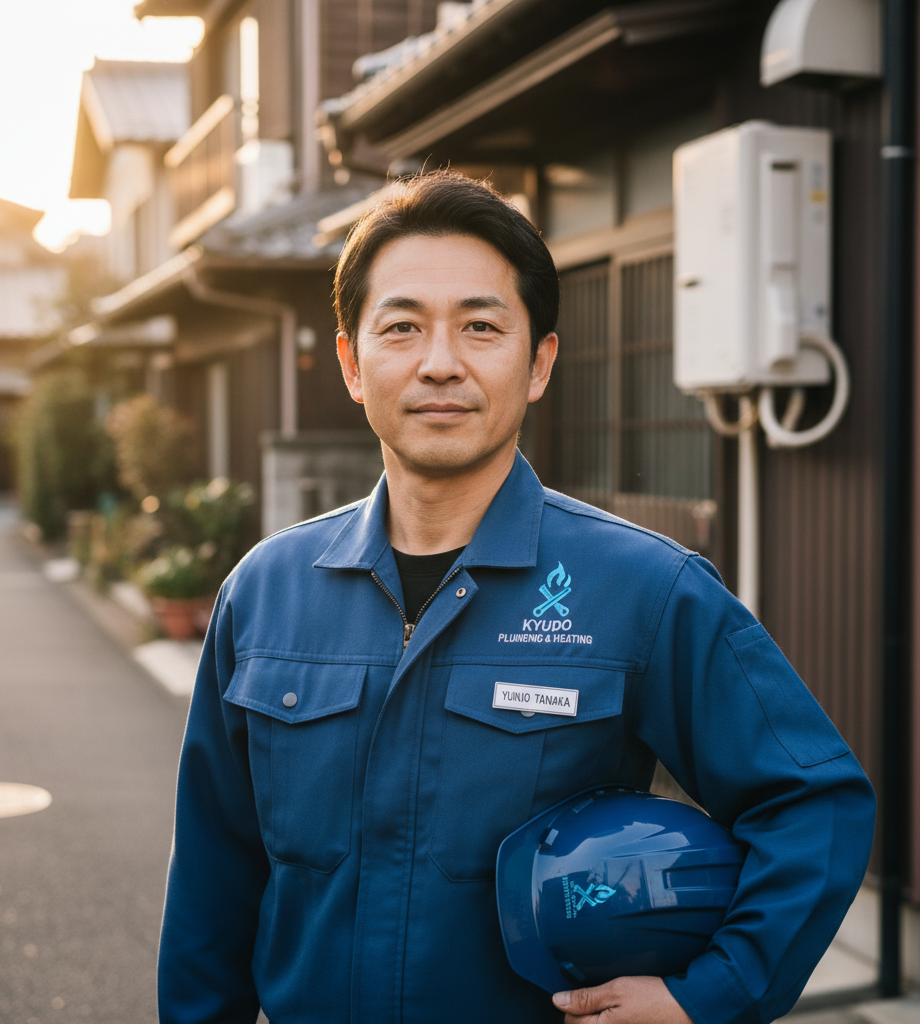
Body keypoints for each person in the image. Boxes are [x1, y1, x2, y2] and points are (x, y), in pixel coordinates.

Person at [157, 171, 876, 1024]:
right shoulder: (265, 595)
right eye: (402, 328)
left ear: (538, 364)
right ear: (352, 363)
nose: (439, 363)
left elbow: (814, 804)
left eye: (481, 327)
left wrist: (707, 998)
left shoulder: (643, 588)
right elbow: (214, 877)